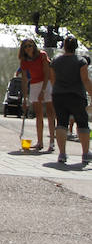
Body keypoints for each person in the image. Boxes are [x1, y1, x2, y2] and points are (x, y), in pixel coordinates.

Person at [49, 36, 92, 164]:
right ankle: (85, 153)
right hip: (76, 96)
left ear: (64, 46)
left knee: (61, 123)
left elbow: (52, 79)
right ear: (76, 47)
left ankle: (62, 154)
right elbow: (85, 80)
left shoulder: (55, 61)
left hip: (59, 95)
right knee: (82, 123)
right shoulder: (81, 61)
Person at [19, 38, 56, 152]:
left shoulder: (42, 55)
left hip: (46, 83)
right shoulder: (24, 60)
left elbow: (46, 73)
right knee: (38, 114)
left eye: (30, 45)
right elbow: (24, 80)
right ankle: (40, 142)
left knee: (50, 113)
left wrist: (43, 90)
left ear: (34, 46)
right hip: (34, 84)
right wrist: (24, 99)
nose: (28, 48)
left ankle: (52, 142)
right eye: (26, 46)